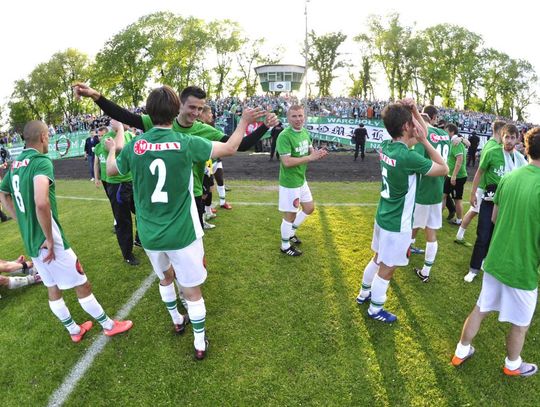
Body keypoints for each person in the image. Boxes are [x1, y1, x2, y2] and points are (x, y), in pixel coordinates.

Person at [104, 85, 263, 360]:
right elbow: (231, 147)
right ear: (176, 109)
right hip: (183, 233)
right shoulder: (186, 142)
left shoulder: (135, 146)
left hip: (150, 235)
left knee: (165, 278)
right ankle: (199, 343)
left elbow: (111, 169)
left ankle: (177, 320)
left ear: (148, 111)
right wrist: (245, 121)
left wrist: (110, 151)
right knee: (191, 290)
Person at [0, 120, 133, 342]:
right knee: (82, 282)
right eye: (47, 137)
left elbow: (3, 193)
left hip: (31, 241)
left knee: (52, 286)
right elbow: (41, 202)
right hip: (47, 238)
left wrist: (21, 219)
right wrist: (50, 238)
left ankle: (74, 330)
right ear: (43, 137)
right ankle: (109, 325)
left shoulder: (16, 164)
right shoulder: (41, 161)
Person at [74, 83, 277, 227]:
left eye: (200, 109)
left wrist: (263, 127)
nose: (196, 113)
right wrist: (96, 96)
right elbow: (122, 115)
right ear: (180, 105)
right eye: (192, 107)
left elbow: (241, 145)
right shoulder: (158, 122)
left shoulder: (204, 131)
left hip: (191, 194)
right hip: (162, 197)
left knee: (191, 244)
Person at [451, 128, 540, 377]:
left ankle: (461, 350)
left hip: (495, 260)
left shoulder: (509, 178)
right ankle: (512, 365)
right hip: (522, 268)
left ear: (526, 148)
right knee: (520, 324)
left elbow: (494, 217)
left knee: (481, 308)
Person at [356, 99, 448, 322]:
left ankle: (363, 293)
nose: (416, 126)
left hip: (383, 215)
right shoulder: (408, 156)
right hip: (397, 223)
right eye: (412, 122)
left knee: (377, 258)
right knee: (387, 268)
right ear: (407, 127)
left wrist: (414, 110)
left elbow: (421, 131)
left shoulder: (387, 145)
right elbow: (443, 168)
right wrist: (425, 142)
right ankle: (375, 309)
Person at [464, 124, 527, 282]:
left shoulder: (520, 159)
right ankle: (473, 268)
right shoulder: (492, 153)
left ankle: (486, 261)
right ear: (502, 137)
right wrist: (473, 193)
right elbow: (479, 172)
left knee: (496, 236)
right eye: (507, 137)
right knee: (483, 234)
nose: (509, 141)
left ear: (517, 139)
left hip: (507, 204)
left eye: (513, 138)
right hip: (489, 200)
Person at [277, 105, 328, 257]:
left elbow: (310, 150)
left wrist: (317, 154)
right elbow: (286, 162)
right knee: (290, 216)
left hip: (301, 180)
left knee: (309, 208)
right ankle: (285, 246)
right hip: (290, 183)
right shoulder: (284, 136)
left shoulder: (305, 132)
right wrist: (310, 158)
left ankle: (291, 232)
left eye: (300, 116)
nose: (298, 119)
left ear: (304, 117)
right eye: (294, 116)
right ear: (288, 118)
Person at [410, 106, 451, 283]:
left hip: (423, 188)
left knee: (412, 223)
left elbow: (415, 163)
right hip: (437, 188)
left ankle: (404, 253)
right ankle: (426, 270)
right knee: (429, 228)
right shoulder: (444, 135)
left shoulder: (422, 136)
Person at [94, 120, 140, 265]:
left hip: (132, 181)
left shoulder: (130, 135)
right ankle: (127, 254)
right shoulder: (106, 138)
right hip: (117, 185)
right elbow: (119, 148)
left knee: (141, 212)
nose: (126, 121)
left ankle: (140, 239)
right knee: (123, 220)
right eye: (120, 119)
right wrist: (120, 128)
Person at [454, 121, 505, 247]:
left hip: (484, 186)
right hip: (484, 187)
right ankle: (460, 236)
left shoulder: (491, 143)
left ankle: (460, 235)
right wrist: (474, 192)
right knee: (475, 211)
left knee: (475, 211)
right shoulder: (493, 146)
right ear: (500, 131)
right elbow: (482, 169)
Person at [200, 105, 232, 211]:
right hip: (207, 162)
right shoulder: (198, 128)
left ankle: (222, 202)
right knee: (208, 186)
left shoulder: (213, 126)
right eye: (209, 113)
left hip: (216, 159)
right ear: (202, 114)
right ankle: (207, 209)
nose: (212, 115)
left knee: (219, 179)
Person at [443, 124, 468, 226]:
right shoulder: (454, 141)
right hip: (451, 175)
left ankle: (459, 220)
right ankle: (436, 216)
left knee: (457, 199)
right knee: (443, 195)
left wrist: (454, 175)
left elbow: (459, 160)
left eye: (446, 131)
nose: (445, 133)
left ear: (452, 131)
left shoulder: (456, 143)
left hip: (458, 177)